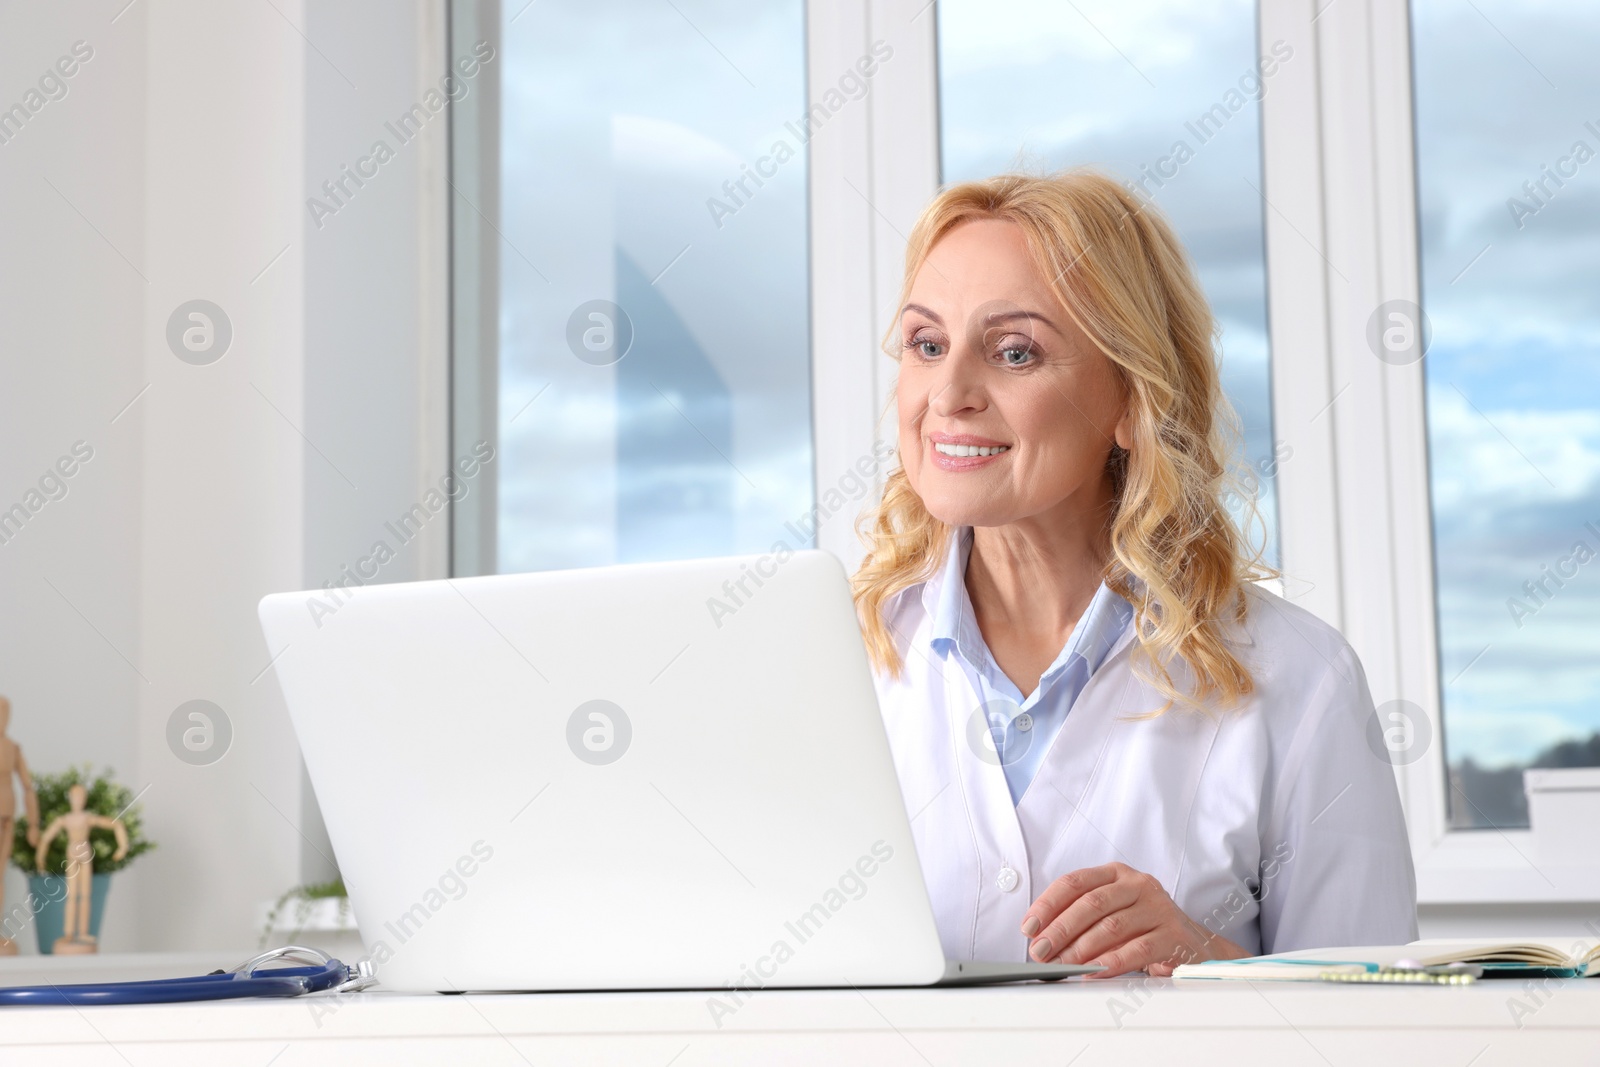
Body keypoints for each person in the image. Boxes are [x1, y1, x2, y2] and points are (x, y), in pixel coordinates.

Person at [852, 169, 1416, 978]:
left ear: (1130, 398)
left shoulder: (1300, 679)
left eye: (1015, 352)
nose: (948, 393)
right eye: (926, 344)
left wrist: (1210, 964)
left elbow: (1387, 1031)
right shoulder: (838, 666)